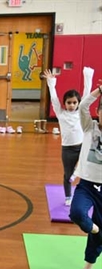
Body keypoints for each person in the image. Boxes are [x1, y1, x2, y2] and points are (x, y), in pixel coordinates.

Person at [69, 67, 102, 269]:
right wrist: (99, 90)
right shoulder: (90, 127)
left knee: (96, 240)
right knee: (77, 213)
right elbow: (83, 106)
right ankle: (97, 230)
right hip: (88, 185)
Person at [43, 69, 85, 206]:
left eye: (74, 102)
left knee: (85, 169)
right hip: (67, 149)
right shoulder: (61, 114)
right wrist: (51, 82)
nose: (72, 105)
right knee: (67, 174)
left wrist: (88, 76)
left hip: (82, 146)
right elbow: (54, 98)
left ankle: (79, 175)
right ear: (65, 103)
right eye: (69, 102)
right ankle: (68, 196)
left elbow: (87, 94)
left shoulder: (81, 113)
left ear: (78, 103)